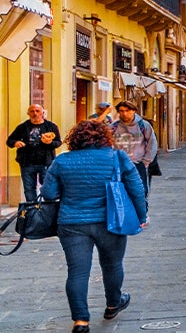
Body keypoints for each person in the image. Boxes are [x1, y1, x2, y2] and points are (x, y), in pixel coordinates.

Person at [44, 119, 148, 332]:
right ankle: (113, 304)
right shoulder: (117, 157)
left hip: (72, 223)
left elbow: (48, 193)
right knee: (112, 265)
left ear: (74, 139)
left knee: (77, 272)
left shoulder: (62, 160)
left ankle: (80, 321)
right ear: (104, 137)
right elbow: (136, 187)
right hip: (111, 221)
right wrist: (141, 215)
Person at [7, 103, 62, 202]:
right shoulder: (22, 127)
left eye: (37, 111)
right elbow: (9, 141)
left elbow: (58, 142)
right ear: (28, 113)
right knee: (29, 189)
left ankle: (48, 209)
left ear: (43, 113)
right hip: (27, 163)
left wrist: (50, 143)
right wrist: (16, 143)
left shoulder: (51, 126)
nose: (35, 113)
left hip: (46, 162)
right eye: (32, 111)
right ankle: (32, 209)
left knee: (48, 188)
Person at [109, 101, 158, 194]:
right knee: (119, 192)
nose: (124, 113)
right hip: (118, 165)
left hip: (137, 164)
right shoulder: (113, 127)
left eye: (127, 110)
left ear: (134, 111)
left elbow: (152, 143)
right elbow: (106, 143)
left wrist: (146, 161)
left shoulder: (143, 125)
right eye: (121, 111)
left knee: (141, 192)